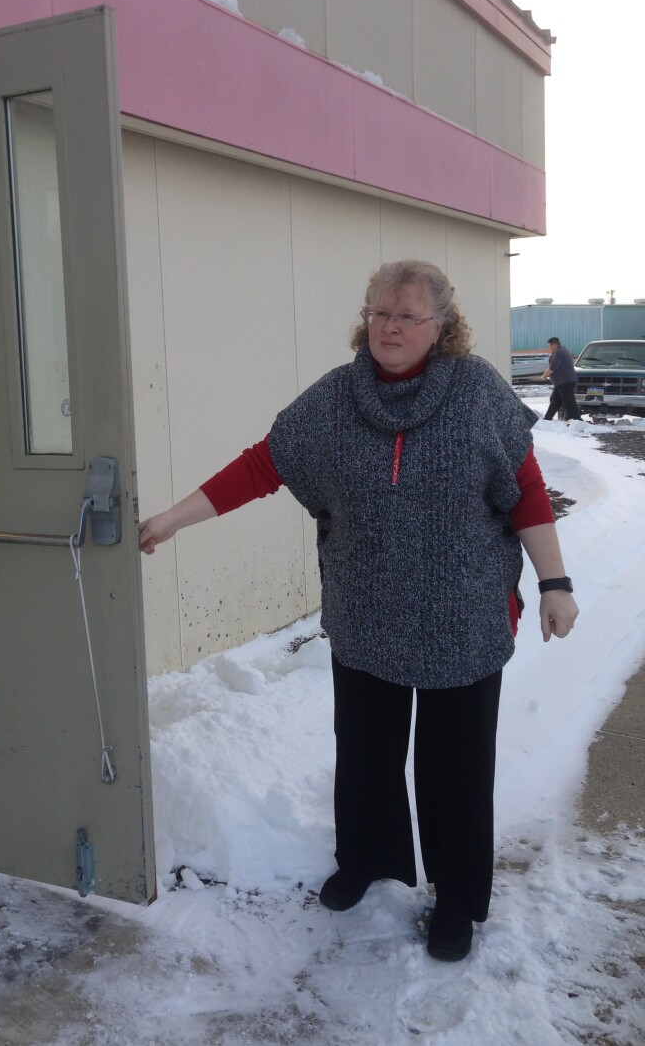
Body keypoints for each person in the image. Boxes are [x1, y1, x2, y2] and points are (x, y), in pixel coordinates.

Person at [139, 260, 578, 963]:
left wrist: (554, 580)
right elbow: (263, 464)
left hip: (462, 617)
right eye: (379, 313)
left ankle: (456, 898)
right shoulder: (337, 398)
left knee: (456, 767)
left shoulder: (476, 392)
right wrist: (171, 520)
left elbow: (524, 486)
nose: (388, 327)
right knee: (367, 754)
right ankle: (367, 857)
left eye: (406, 315)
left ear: (441, 325)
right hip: (367, 611)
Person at [541, 336, 582, 421]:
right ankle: (547, 419)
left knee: (569, 402)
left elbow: (554, 367)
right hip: (562, 382)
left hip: (565, 382)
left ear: (555, 344)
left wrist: (544, 375)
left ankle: (577, 420)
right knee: (555, 401)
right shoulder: (561, 351)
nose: (549, 348)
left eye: (550, 345)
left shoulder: (559, 352)